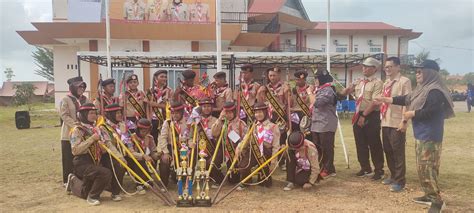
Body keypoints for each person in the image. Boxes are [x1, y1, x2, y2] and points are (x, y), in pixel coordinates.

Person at [376, 59, 454, 212]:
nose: (417, 74)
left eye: (420, 71)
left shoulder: (435, 91)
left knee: (428, 168)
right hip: (422, 134)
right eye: (416, 72)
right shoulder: (422, 89)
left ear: (430, 73)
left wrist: (412, 113)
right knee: (422, 168)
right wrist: (387, 99)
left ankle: (437, 202)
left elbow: (432, 112)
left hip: (430, 135)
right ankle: (428, 195)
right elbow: (406, 99)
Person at [66, 103, 124, 205]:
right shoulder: (77, 130)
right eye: (91, 113)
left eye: (95, 113)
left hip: (97, 160)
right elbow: (75, 151)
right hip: (83, 162)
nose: (94, 115)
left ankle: (115, 192)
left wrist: (120, 157)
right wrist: (92, 139)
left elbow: (108, 145)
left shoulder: (99, 129)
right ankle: (91, 196)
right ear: (83, 115)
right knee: (104, 173)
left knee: (118, 164)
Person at [340, 57, 384, 180]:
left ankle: (379, 170)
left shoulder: (377, 83)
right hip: (358, 113)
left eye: (367, 66)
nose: (363, 68)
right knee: (360, 142)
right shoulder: (359, 81)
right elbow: (344, 92)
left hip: (371, 115)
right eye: (363, 66)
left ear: (374, 69)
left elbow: (375, 102)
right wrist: (348, 88)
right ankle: (365, 167)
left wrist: (364, 115)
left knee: (374, 143)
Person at [378, 57, 412, 192]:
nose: (387, 69)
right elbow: (385, 101)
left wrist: (404, 121)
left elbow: (407, 102)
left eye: (390, 66)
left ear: (398, 67)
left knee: (398, 152)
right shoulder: (386, 83)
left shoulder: (404, 82)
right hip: (386, 121)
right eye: (386, 67)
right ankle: (393, 175)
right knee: (388, 150)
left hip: (397, 121)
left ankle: (400, 181)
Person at [236, 102, 280, 190]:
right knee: (243, 166)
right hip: (253, 151)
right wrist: (239, 148)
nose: (258, 114)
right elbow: (246, 139)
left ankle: (265, 177)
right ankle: (246, 182)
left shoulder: (273, 127)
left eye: (260, 112)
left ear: (265, 112)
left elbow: (276, 146)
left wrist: (273, 162)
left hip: (266, 154)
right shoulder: (253, 126)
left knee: (265, 183)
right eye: (256, 112)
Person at [60, 76, 89, 186]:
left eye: (83, 86)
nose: (81, 88)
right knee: (68, 158)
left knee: (81, 157)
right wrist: (76, 126)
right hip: (69, 133)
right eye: (79, 86)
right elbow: (64, 115)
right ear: (72, 87)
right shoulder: (66, 99)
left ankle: (79, 180)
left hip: (84, 133)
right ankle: (67, 181)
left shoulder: (85, 99)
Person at [97, 103, 129, 198]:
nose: (120, 115)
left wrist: (134, 154)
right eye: (117, 113)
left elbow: (128, 141)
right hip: (109, 155)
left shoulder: (122, 125)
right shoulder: (103, 127)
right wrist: (120, 157)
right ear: (110, 115)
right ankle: (115, 192)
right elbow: (109, 145)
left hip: (122, 152)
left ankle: (142, 183)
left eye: (120, 112)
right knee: (119, 164)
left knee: (137, 159)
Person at [211, 101, 248, 184]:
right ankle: (219, 179)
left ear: (234, 112)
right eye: (226, 112)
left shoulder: (241, 124)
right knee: (213, 163)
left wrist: (231, 135)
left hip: (235, 151)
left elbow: (245, 140)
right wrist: (220, 119)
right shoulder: (221, 122)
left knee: (233, 180)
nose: (228, 115)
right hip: (222, 148)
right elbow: (214, 133)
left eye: (230, 112)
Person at [310, 69, 338, 178]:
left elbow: (317, 103)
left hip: (326, 124)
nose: (315, 80)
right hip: (316, 123)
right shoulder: (319, 90)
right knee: (318, 148)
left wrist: (309, 92)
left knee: (326, 148)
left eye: (317, 78)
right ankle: (321, 167)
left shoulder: (328, 90)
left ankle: (329, 169)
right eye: (315, 78)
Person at [156, 101, 190, 187]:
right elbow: (162, 138)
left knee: (186, 161)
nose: (175, 115)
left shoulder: (188, 122)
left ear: (182, 112)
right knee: (164, 160)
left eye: (177, 113)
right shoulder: (167, 123)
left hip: (184, 147)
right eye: (173, 113)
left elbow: (190, 136)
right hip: (170, 147)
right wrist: (166, 152)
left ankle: (182, 180)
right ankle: (164, 184)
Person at [128, 118, 160, 194]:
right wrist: (143, 155)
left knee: (152, 160)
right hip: (133, 161)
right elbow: (130, 153)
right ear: (138, 130)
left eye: (147, 131)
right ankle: (139, 184)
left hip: (147, 161)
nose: (145, 133)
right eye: (143, 131)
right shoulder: (131, 138)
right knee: (140, 161)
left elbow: (153, 152)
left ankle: (149, 181)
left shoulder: (150, 138)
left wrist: (158, 155)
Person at [144, 70, 173, 145]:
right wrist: (148, 120)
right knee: (154, 141)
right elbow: (148, 106)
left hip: (165, 119)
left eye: (165, 77)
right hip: (153, 120)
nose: (164, 78)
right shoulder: (150, 91)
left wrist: (155, 104)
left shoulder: (169, 91)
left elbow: (169, 106)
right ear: (156, 78)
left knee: (164, 141)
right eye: (162, 77)